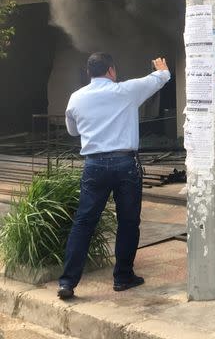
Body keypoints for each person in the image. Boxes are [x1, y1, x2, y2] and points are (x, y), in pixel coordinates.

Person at [57, 53, 171, 300]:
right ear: (111, 70)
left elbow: (72, 129)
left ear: (89, 73)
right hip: (125, 164)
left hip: (94, 165)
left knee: (84, 223)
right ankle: (123, 277)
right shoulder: (126, 91)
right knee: (128, 222)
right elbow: (159, 79)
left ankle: (67, 282)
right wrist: (161, 68)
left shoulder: (76, 98)